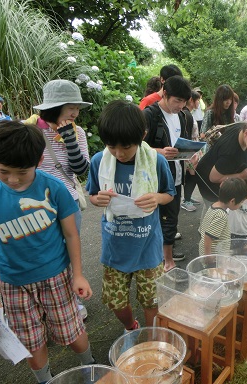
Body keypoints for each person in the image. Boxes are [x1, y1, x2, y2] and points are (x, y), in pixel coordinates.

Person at [0, 120, 94, 384]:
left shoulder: (54, 188)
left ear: (38, 160)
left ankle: (90, 367)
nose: (13, 180)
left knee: (71, 332)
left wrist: (78, 274)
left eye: (21, 172)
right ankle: (45, 380)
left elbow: (71, 233)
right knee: (30, 340)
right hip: (13, 283)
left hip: (56, 275)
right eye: (3, 171)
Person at [87, 100, 175, 330]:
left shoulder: (156, 161)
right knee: (115, 301)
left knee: (151, 300)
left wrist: (156, 198)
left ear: (142, 136)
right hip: (115, 247)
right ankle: (131, 327)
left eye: (126, 147)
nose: (119, 153)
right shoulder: (99, 161)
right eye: (111, 146)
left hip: (148, 247)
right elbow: (93, 195)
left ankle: (152, 339)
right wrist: (99, 200)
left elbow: (170, 194)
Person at [26, 79, 92, 319]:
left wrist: (68, 138)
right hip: (37, 204)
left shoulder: (78, 132)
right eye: (70, 107)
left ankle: (72, 299)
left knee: (68, 251)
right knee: (42, 250)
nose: (75, 112)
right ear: (55, 107)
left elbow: (80, 169)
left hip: (68, 201)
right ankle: (44, 301)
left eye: (77, 107)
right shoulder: (31, 130)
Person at [143, 76, 193, 270]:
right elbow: (135, 146)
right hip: (153, 177)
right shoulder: (150, 115)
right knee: (152, 217)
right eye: (177, 101)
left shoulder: (182, 116)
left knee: (172, 217)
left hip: (176, 174)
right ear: (164, 93)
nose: (180, 105)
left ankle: (167, 259)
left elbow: (184, 142)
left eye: (184, 101)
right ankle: (155, 258)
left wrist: (190, 156)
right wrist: (159, 152)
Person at [196, 116, 247, 210]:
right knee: (216, 211)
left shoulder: (242, 126)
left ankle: (206, 223)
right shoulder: (231, 153)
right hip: (208, 180)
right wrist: (240, 175)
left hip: (218, 167)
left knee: (209, 211)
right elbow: (214, 178)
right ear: (246, 133)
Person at [198, 178, 247, 255]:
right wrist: (208, 257)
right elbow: (208, 237)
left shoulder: (214, 206)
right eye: (241, 202)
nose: (241, 205)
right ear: (232, 201)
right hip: (214, 256)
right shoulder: (221, 216)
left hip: (210, 252)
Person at [181, 90, 201, 212]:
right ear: (191, 100)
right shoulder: (186, 114)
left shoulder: (188, 114)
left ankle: (188, 198)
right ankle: (186, 200)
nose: (199, 102)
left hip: (192, 150)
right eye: (197, 99)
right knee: (191, 176)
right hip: (189, 151)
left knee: (191, 175)